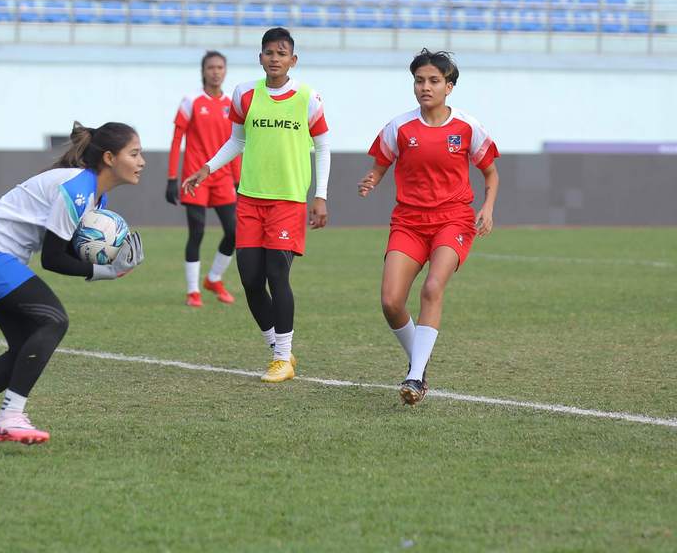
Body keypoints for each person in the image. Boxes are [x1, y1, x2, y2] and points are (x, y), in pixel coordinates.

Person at [0, 122, 146, 450]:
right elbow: (54, 258)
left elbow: (67, 248)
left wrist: (109, 266)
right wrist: (105, 271)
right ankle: (9, 416)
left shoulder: (95, 198)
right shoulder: (78, 188)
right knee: (53, 320)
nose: (142, 161)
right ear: (111, 158)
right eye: (135, 153)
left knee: (23, 348)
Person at [182, 27, 330, 383]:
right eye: (269, 53)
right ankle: (279, 349)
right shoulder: (244, 94)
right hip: (249, 199)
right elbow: (236, 140)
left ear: (293, 60)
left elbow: (322, 147)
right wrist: (206, 168)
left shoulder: (308, 98)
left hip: (288, 201)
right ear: (259, 57)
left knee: (277, 275)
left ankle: (281, 358)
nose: (275, 59)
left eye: (282, 53)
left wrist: (320, 196)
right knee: (250, 279)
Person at [358, 49, 499, 406]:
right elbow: (380, 163)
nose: (425, 87)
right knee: (391, 302)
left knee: (433, 287)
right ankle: (419, 362)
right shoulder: (400, 127)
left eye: (434, 80)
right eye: (419, 80)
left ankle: (415, 376)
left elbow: (490, 172)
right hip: (408, 222)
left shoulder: (467, 127)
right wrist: (371, 180)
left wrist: (488, 207)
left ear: (449, 87)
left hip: (453, 219)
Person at [166, 50, 240, 308]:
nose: (216, 71)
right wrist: (172, 177)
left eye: (220, 67)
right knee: (196, 232)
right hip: (194, 178)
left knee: (234, 232)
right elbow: (177, 140)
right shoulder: (191, 101)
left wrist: (239, 180)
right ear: (203, 71)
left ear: (225, 71)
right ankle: (193, 291)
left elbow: (238, 143)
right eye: (211, 67)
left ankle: (214, 278)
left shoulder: (233, 104)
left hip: (224, 178)